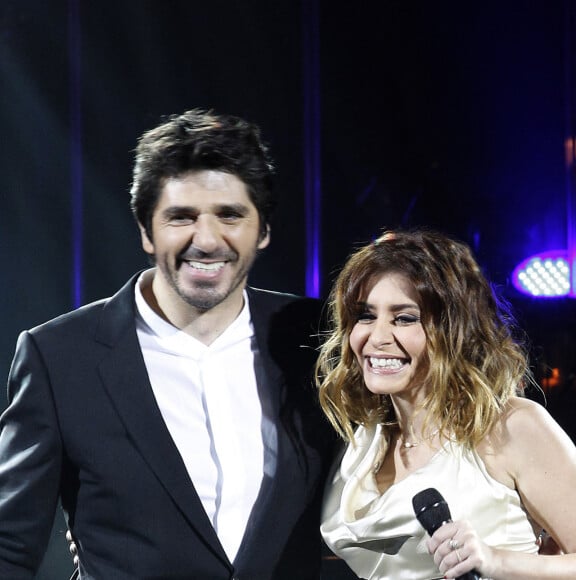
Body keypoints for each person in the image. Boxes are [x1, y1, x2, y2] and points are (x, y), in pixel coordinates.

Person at [0, 108, 335, 579]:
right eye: (181, 217)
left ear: (262, 231)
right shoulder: (59, 357)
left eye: (230, 215)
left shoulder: (317, 336)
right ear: (145, 231)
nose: (207, 239)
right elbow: (9, 547)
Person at [317, 229, 576, 579]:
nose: (376, 338)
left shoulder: (512, 426)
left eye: (404, 318)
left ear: (454, 330)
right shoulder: (364, 443)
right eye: (366, 315)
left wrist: (496, 561)